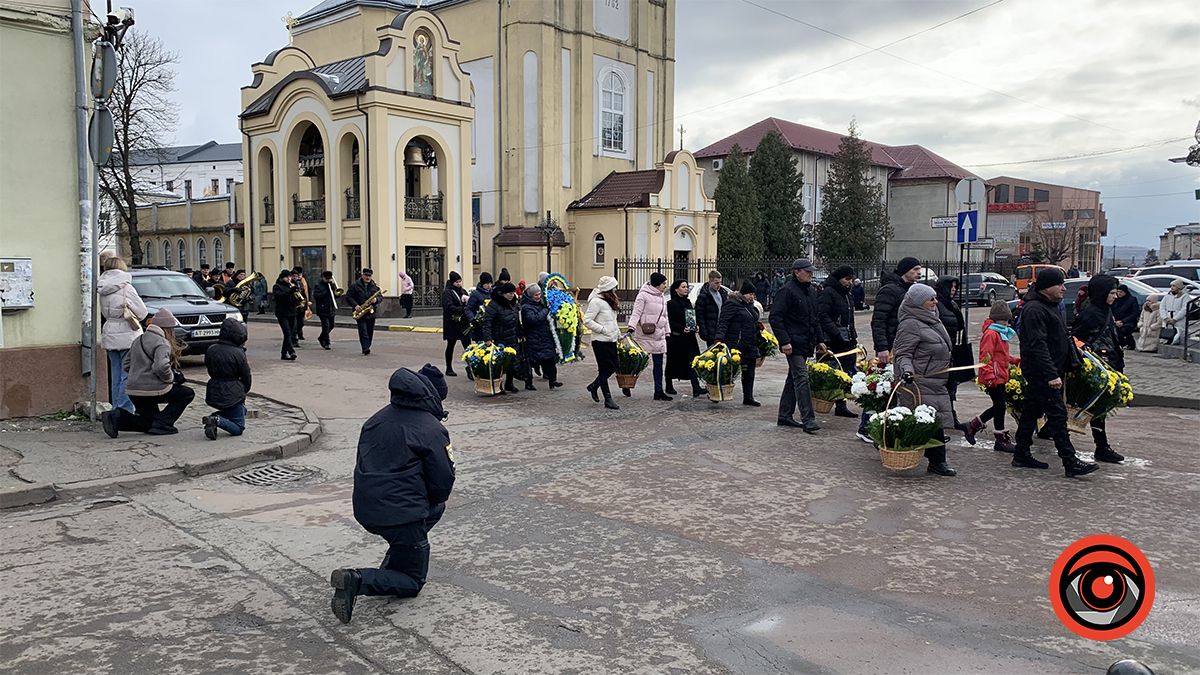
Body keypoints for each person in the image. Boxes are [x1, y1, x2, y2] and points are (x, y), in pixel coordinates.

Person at [329, 364, 455, 624]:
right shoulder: (431, 429)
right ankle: (357, 579)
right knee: (412, 581)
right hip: (401, 514)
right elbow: (443, 483)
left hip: (366, 508)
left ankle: (401, 552)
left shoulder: (376, 419)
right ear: (433, 397)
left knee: (428, 515)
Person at [1012, 267, 1098, 477]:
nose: (1063, 288)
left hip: (1048, 369)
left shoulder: (1049, 305)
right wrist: (1051, 374)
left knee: (1031, 411)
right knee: (1058, 416)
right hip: (1041, 372)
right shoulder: (1035, 309)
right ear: (1045, 287)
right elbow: (1037, 345)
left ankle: (1021, 452)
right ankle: (1070, 461)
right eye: (1059, 284)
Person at [892, 284, 957, 476]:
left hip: (936, 380)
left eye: (935, 298)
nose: (936, 302)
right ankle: (937, 461)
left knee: (931, 421)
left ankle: (935, 460)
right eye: (931, 299)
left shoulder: (932, 319)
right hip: (919, 382)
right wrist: (907, 371)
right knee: (931, 421)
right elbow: (902, 354)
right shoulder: (910, 324)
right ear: (919, 303)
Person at [101, 308, 195, 437]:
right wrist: (170, 378)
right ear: (167, 329)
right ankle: (164, 424)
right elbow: (161, 367)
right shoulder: (162, 343)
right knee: (187, 394)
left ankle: (116, 417)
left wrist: (139, 374)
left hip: (134, 390)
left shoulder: (137, 340)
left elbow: (126, 365)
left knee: (149, 423)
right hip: (153, 390)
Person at [1071, 275, 1126, 464]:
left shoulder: (1106, 311)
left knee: (1096, 409)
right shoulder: (1090, 313)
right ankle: (1100, 447)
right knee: (1091, 408)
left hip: (1107, 366)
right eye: (1111, 293)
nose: (1115, 296)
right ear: (1102, 293)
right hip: (1095, 368)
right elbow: (1076, 339)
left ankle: (1101, 447)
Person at [771, 258, 826, 433]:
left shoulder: (811, 291)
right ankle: (808, 419)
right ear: (797, 272)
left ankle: (784, 415)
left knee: (793, 378)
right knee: (802, 378)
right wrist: (784, 341)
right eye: (807, 271)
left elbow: (814, 319)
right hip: (793, 344)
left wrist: (820, 340)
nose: (810, 274)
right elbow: (776, 317)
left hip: (805, 342)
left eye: (811, 271)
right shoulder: (786, 291)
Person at [966, 301, 1019, 452]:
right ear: (997, 319)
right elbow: (986, 356)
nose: (1006, 323)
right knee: (1000, 406)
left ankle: (974, 425)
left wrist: (1014, 361)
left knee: (999, 406)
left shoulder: (999, 333)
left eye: (1007, 320)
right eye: (1004, 320)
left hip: (999, 375)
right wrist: (989, 375)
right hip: (994, 377)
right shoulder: (991, 333)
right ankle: (999, 439)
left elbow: (1001, 356)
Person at [98, 256, 147, 416]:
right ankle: (124, 410)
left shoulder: (102, 288)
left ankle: (114, 409)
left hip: (110, 331)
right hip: (128, 334)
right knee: (128, 375)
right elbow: (142, 312)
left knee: (115, 374)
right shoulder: (126, 288)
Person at [816, 265, 860, 421]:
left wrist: (852, 335)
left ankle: (841, 405)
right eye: (847, 279)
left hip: (847, 338)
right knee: (832, 372)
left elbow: (849, 317)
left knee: (846, 372)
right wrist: (835, 332)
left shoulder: (847, 294)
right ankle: (824, 401)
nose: (850, 282)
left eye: (851, 279)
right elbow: (822, 315)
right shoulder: (828, 292)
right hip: (832, 340)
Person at [202, 318, 252, 440]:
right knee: (238, 427)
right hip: (233, 390)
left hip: (214, 387)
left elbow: (209, 368)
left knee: (240, 411)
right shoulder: (238, 353)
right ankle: (216, 419)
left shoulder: (211, 349)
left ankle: (213, 418)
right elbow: (246, 374)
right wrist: (244, 389)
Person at [934, 276, 970, 436]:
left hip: (953, 351)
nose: (954, 290)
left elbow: (959, 325)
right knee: (941, 386)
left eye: (956, 287)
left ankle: (950, 417)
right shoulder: (937, 305)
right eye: (951, 287)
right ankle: (943, 418)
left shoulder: (952, 305)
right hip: (939, 353)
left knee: (952, 385)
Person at [714, 280, 761, 406]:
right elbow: (723, 322)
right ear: (743, 294)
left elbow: (753, 322)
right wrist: (719, 339)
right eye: (749, 294)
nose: (752, 297)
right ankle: (715, 392)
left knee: (749, 372)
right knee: (728, 370)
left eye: (753, 294)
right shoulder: (732, 304)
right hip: (736, 344)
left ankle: (748, 397)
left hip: (749, 344)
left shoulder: (750, 306)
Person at [628, 272, 671, 401]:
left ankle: (658, 391)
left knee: (658, 365)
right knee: (639, 362)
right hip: (645, 334)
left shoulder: (662, 297)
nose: (665, 286)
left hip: (659, 336)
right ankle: (627, 382)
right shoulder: (643, 295)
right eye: (663, 283)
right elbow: (636, 312)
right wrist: (631, 327)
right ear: (657, 284)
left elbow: (665, 316)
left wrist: (667, 331)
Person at [871, 257, 922, 365]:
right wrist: (882, 347)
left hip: (908, 343)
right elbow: (879, 321)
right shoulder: (889, 290)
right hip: (891, 345)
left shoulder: (911, 289)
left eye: (919, 269)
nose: (919, 272)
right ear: (905, 270)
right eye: (915, 269)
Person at [583, 276, 623, 410]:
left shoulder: (609, 301)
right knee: (604, 368)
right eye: (614, 287)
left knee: (613, 366)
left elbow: (613, 320)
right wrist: (602, 329)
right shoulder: (596, 302)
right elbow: (587, 320)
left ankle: (594, 386)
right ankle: (608, 398)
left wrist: (617, 333)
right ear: (608, 289)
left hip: (611, 339)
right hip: (600, 341)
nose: (616, 289)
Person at [665, 279, 704, 398]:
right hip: (677, 338)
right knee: (673, 362)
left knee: (693, 361)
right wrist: (682, 328)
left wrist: (695, 326)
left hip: (689, 337)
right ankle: (668, 385)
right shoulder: (671, 304)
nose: (686, 289)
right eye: (683, 287)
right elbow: (670, 321)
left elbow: (692, 316)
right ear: (676, 289)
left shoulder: (687, 302)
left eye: (687, 286)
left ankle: (696, 387)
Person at [520, 285, 561, 390]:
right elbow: (533, 319)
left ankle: (553, 381)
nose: (539, 297)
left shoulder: (542, 304)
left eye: (539, 294)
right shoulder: (526, 307)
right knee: (532, 361)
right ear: (530, 296)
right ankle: (528, 382)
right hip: (533, 338)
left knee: (550, 359)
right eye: (536, 295)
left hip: (545, 336)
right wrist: (545, 311)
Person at [482, 281, 520, 393]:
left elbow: (518, 320)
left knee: (512, 361)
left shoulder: (514, 303)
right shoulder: (494, 304)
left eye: (513, 293)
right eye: (509, 293)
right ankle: (499, 385)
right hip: (499, 338)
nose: (512, 295)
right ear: (503, 293)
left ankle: (509, 383)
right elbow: (487, 322)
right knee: (500, 364)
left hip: (512, 336)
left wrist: (520, 333)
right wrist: (487, 339)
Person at [441, 272, 471, 377]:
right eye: (457, 282)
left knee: (468, 346)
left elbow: (469, 302)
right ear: (453, 282)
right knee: (451, 345)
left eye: (460, 281)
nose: (459, 284)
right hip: (452, 323)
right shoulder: (448, 292)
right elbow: (448, 307)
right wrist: (463, 309)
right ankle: (449, 368)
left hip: (463, 323)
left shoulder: (463, 291)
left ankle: (471, 367)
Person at [347, 268, 381, 355]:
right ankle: (365, 348)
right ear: (362, 275)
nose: (368, 277)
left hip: (371, 312)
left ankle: (367, 345)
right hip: (360, 311)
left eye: (369, 276)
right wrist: (355, 305)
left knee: (370, 331)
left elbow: (380, 297)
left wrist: (376, 300)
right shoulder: (354, 285)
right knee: (363, 331)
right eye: (366, 275)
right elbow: (349, 297)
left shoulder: (375, 286)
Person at [694, 270, 727, 349]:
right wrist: (704, 332)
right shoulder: (704, 296)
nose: (719, 285)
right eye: (716, 283)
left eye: (720, 282)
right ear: (710, 282)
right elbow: (699, 315)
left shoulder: (723, 293)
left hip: (722, 330)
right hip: (710, 331)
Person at [272, 270, 299, 361]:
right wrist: (290, 291)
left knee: (290, 334)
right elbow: (279, 297)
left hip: (292, 312)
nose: (289, 279)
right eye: (287, 277)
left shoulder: (292, 286)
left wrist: (298, 298)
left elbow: (295, 299)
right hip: (282, 313)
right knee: (287, 332)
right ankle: (291, 351)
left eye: (289, 277)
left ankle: (284, 353)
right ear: (282, 278)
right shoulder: (277, 286)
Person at [313, 270, 339, 350]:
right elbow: (316, 296)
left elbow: (335, 296)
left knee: (331, 325)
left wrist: (336, 293)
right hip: (322, 308)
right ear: (323, 278)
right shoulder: (318, 285)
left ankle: (321, 337)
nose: (328, 280)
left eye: (329, 279)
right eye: (326, 278)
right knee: (326, 326)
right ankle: (327, 342)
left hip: (331, 308)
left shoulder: (331, 285)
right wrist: (326, 291)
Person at [1158, 279, 1189, 346]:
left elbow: (1185, 309)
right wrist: (1165, 318)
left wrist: (1175, 319)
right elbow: (1162, 307)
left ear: (1179, 287)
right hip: (1167, 318)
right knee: (1167, 334)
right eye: (1171, 286)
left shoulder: (1185, 296)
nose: (1172, 287)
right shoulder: (1167, 296)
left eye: (1174, 286)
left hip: (1178, 320)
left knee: (1179, 334)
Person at [1109, 284, 1140, 350]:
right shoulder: (1115, 300)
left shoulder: (1132, 300)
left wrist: (1123, 321)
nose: (1119, 293)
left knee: (1125, 330)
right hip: (1116, 321)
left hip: (1128, 321)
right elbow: (1111, 310)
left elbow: (1135, 313)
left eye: (1121, 292)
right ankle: (1121, 344)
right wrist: (1114, 320)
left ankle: (1130, 344)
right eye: (1118, 292)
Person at [466, 272, 493, 342]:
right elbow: (468, 309)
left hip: (492, 325)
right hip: (480, 326)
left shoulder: (493, 293)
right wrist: (473, 319)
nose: (489, 286)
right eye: (487, 284)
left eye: (490, 283)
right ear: (482, 284)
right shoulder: (476, 294)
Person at [291, 267, 311, 342]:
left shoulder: (301, 282)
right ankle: (295, 337)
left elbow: (305, 292)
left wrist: (306, 302)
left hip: (301, 305)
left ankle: (298, 332)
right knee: (294, 323)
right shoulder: (290, 284)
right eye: (294, 276)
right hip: (293, 306)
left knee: (301, 322)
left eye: (297, 276)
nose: (296, 277)